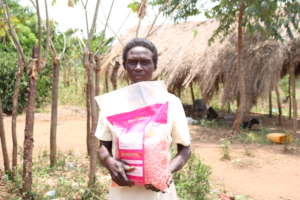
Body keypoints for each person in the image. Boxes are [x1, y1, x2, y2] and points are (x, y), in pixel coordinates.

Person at [95, 38, 191, 200]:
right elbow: (103, 146)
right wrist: (110, 163)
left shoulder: (170, 102)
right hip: (123, 192)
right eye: (132, 62)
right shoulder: (112, 103)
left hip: (159, 192)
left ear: (154, 66)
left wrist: (165, 172)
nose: (138, 67)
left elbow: (185, 150)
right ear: (124, 66)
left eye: (145, 62)